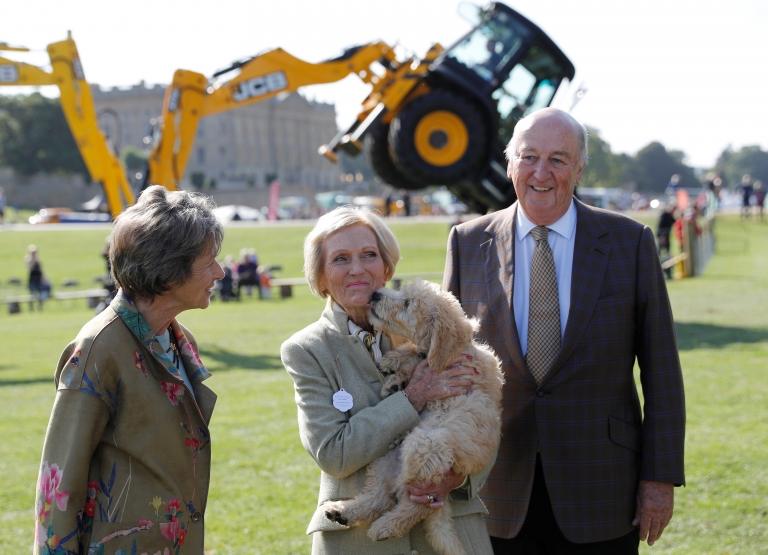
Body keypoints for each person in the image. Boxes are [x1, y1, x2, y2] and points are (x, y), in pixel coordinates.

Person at [443, 108, 686, 554]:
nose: (541, 172)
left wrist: (660, 477)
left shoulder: (629, 243)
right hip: (495, 488)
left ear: (579, 167)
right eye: (529, 156)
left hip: (602, 487)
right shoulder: (466, 242)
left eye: (558, 159)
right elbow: (449, 367)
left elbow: (662, 370)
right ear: (510, 161)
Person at [281, 206, 493, 554]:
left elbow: (485, 418)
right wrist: (413, 398)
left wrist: (456, 477)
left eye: (369, 255)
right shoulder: (307, 351)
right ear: (320, 277)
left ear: (387, 266)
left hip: (449, 528)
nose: (357, 269)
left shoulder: (427, 327)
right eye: (340, 259)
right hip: (359, 541)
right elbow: (334, 453)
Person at [34, 185, 224, 554]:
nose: (219, 271)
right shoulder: (97, 350)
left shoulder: (179, 341)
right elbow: (58, 489)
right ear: (168, 269)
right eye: (208, 261)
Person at [26, 244, 50, 311]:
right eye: (33, 252)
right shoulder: (28, 259)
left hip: (39, 280)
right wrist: (34, 260)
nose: (34, 253)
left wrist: (45, 278)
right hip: (32, 280)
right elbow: (30, 268)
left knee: (41, 295)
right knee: (32, 295)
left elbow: (41, 270)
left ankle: (40, 308)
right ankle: (31, 309)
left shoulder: (38, 259)